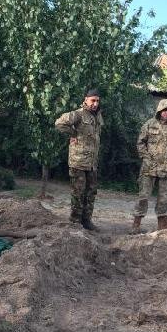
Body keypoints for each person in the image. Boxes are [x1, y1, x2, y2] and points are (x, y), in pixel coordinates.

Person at [131, 99, 167, 233]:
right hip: (149, 166)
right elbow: (140, 142)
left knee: (164, 198)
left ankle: (162, 228)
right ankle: (136, 225)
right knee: (143, 196)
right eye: (165, 110)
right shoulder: (149, 124)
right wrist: (145, 157)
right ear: (159, 111)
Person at [55, 89, 103, 231]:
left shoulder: (97, 116)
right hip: (79, 161)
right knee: (78, 193)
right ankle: (75, 222)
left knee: (91, 192)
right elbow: (59, 123)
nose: (95, 103)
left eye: (97, 101)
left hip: (92, 163)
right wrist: (73, 133)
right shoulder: (78, 114)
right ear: (86, 99)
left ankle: (86, 221)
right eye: (93, 100)